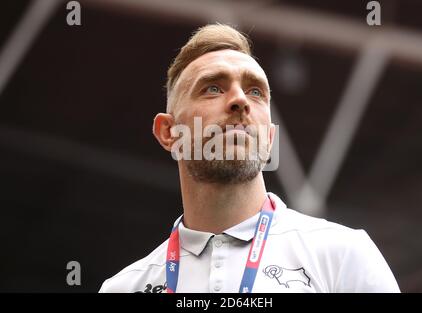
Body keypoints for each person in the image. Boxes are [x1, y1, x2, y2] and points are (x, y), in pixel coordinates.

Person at [99, 24, 400, 293]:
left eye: (255, 91)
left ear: (269, 138)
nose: (240, 100)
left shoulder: (344, 255)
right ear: (168, 132)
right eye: (213, 88)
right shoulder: (124, 287)